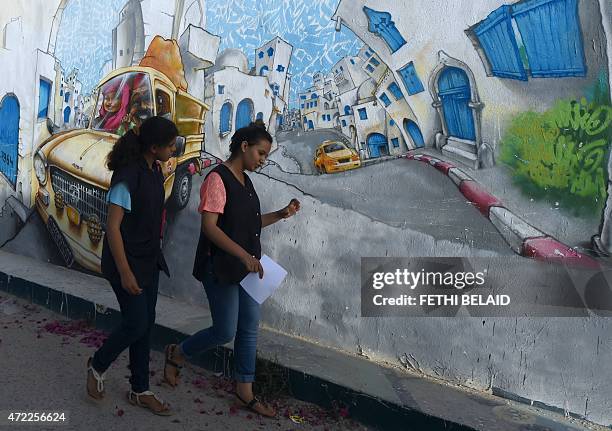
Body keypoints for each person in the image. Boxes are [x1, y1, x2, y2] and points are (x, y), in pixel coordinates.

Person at [162, 123, 300, 418]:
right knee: (225, 330)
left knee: (249, 327)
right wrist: (243, 255)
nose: (263, 160)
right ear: (244, 146)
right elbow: (210, 229)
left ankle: (244, 390)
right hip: (221, 266)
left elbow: (249, 225)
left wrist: (281, 214)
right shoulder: (217, 179)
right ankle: (178, 353)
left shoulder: (246, 182)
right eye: (261, 153)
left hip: (247, 268)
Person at [86, 116, 178, 416]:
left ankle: (140, 389)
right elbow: (112, 227)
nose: (173, 149)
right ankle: (97, 365)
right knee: (136, 323)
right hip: (126, 263)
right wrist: (125, 272)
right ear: (153, 147)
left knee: (145, 323)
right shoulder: (127, 176)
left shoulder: (153, 169)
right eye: (169, 145)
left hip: (148, 262)